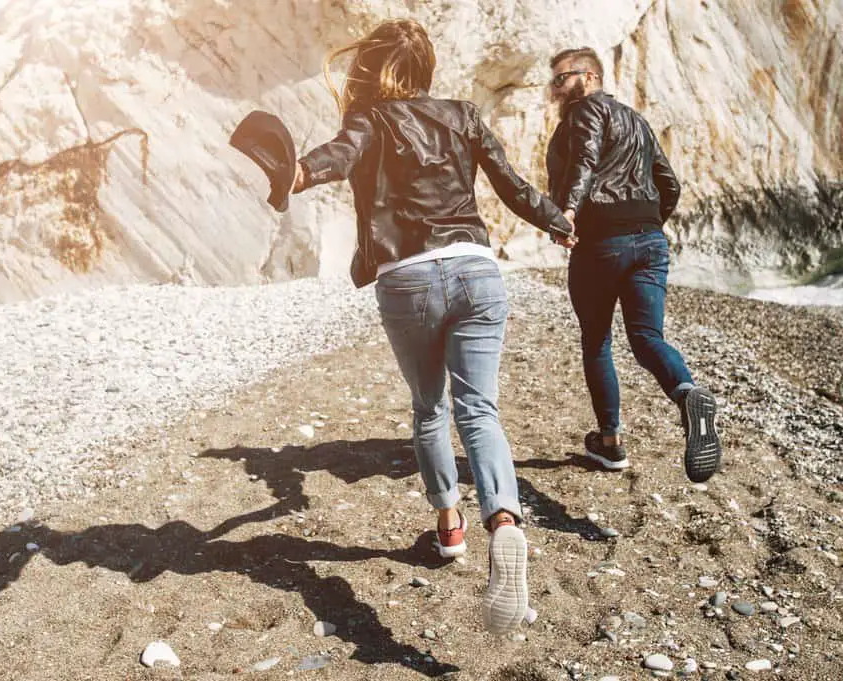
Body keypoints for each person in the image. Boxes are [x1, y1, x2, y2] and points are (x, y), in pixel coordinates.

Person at [290, 19, 574, 634]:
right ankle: (504, 518)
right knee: (480, 411)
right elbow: (512, 185)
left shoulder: (372, 119)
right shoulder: (463, 115)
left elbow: (336, 157)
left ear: (374, 68)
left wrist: (295, 173)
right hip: (476, 269)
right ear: (425, 68)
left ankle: (450, 528)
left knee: (428, 408)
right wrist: (557, 221)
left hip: (410, 279)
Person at [545, 47, 722, 483]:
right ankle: (687, 393)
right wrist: (646, 224)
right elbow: (670, 183)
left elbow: (585, 160)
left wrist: (567, 212)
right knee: (646, 337)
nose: (555, 89)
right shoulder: (638, 120)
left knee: (597, 342)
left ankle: (610, 442)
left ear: (588, 77)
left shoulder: (584, 111)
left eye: (560, 79)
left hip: (601, 245)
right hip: (651, 242)